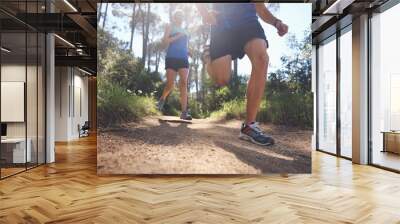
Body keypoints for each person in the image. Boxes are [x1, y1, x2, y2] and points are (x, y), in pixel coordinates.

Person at [197, 3, 288, 146]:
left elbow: (261, 8)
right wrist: (203, 12)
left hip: (247, 22)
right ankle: (208, 58)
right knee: (222, 79)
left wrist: (277, 22)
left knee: (262, 59)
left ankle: (249, 126)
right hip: (221, 23)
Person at [157, 10, 192, 120]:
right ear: (174, 17)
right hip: (171, 57)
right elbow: (165, 41)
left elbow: (184, 45)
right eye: (178, 16)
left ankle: (184, 112)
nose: (180, 18)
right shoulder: (169, 26)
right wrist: (178, 36)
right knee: (170, 84)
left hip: (183, 58)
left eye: (182, 16)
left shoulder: (185, 30)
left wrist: (188, 51)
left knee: (183, 83)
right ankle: (162, 99)